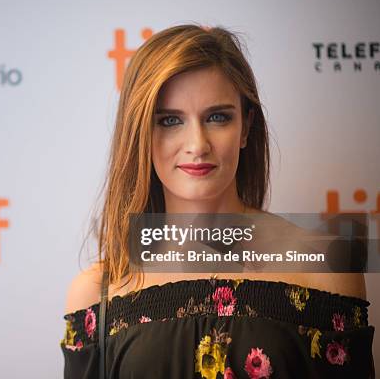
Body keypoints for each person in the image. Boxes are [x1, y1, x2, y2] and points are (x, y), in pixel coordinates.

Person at [60, 24, 375, 378]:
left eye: (217, 117)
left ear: (245, 127)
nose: (197, 144)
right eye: (169, 121)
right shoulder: (96, 291)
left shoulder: (328, 264)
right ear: (140, 135)